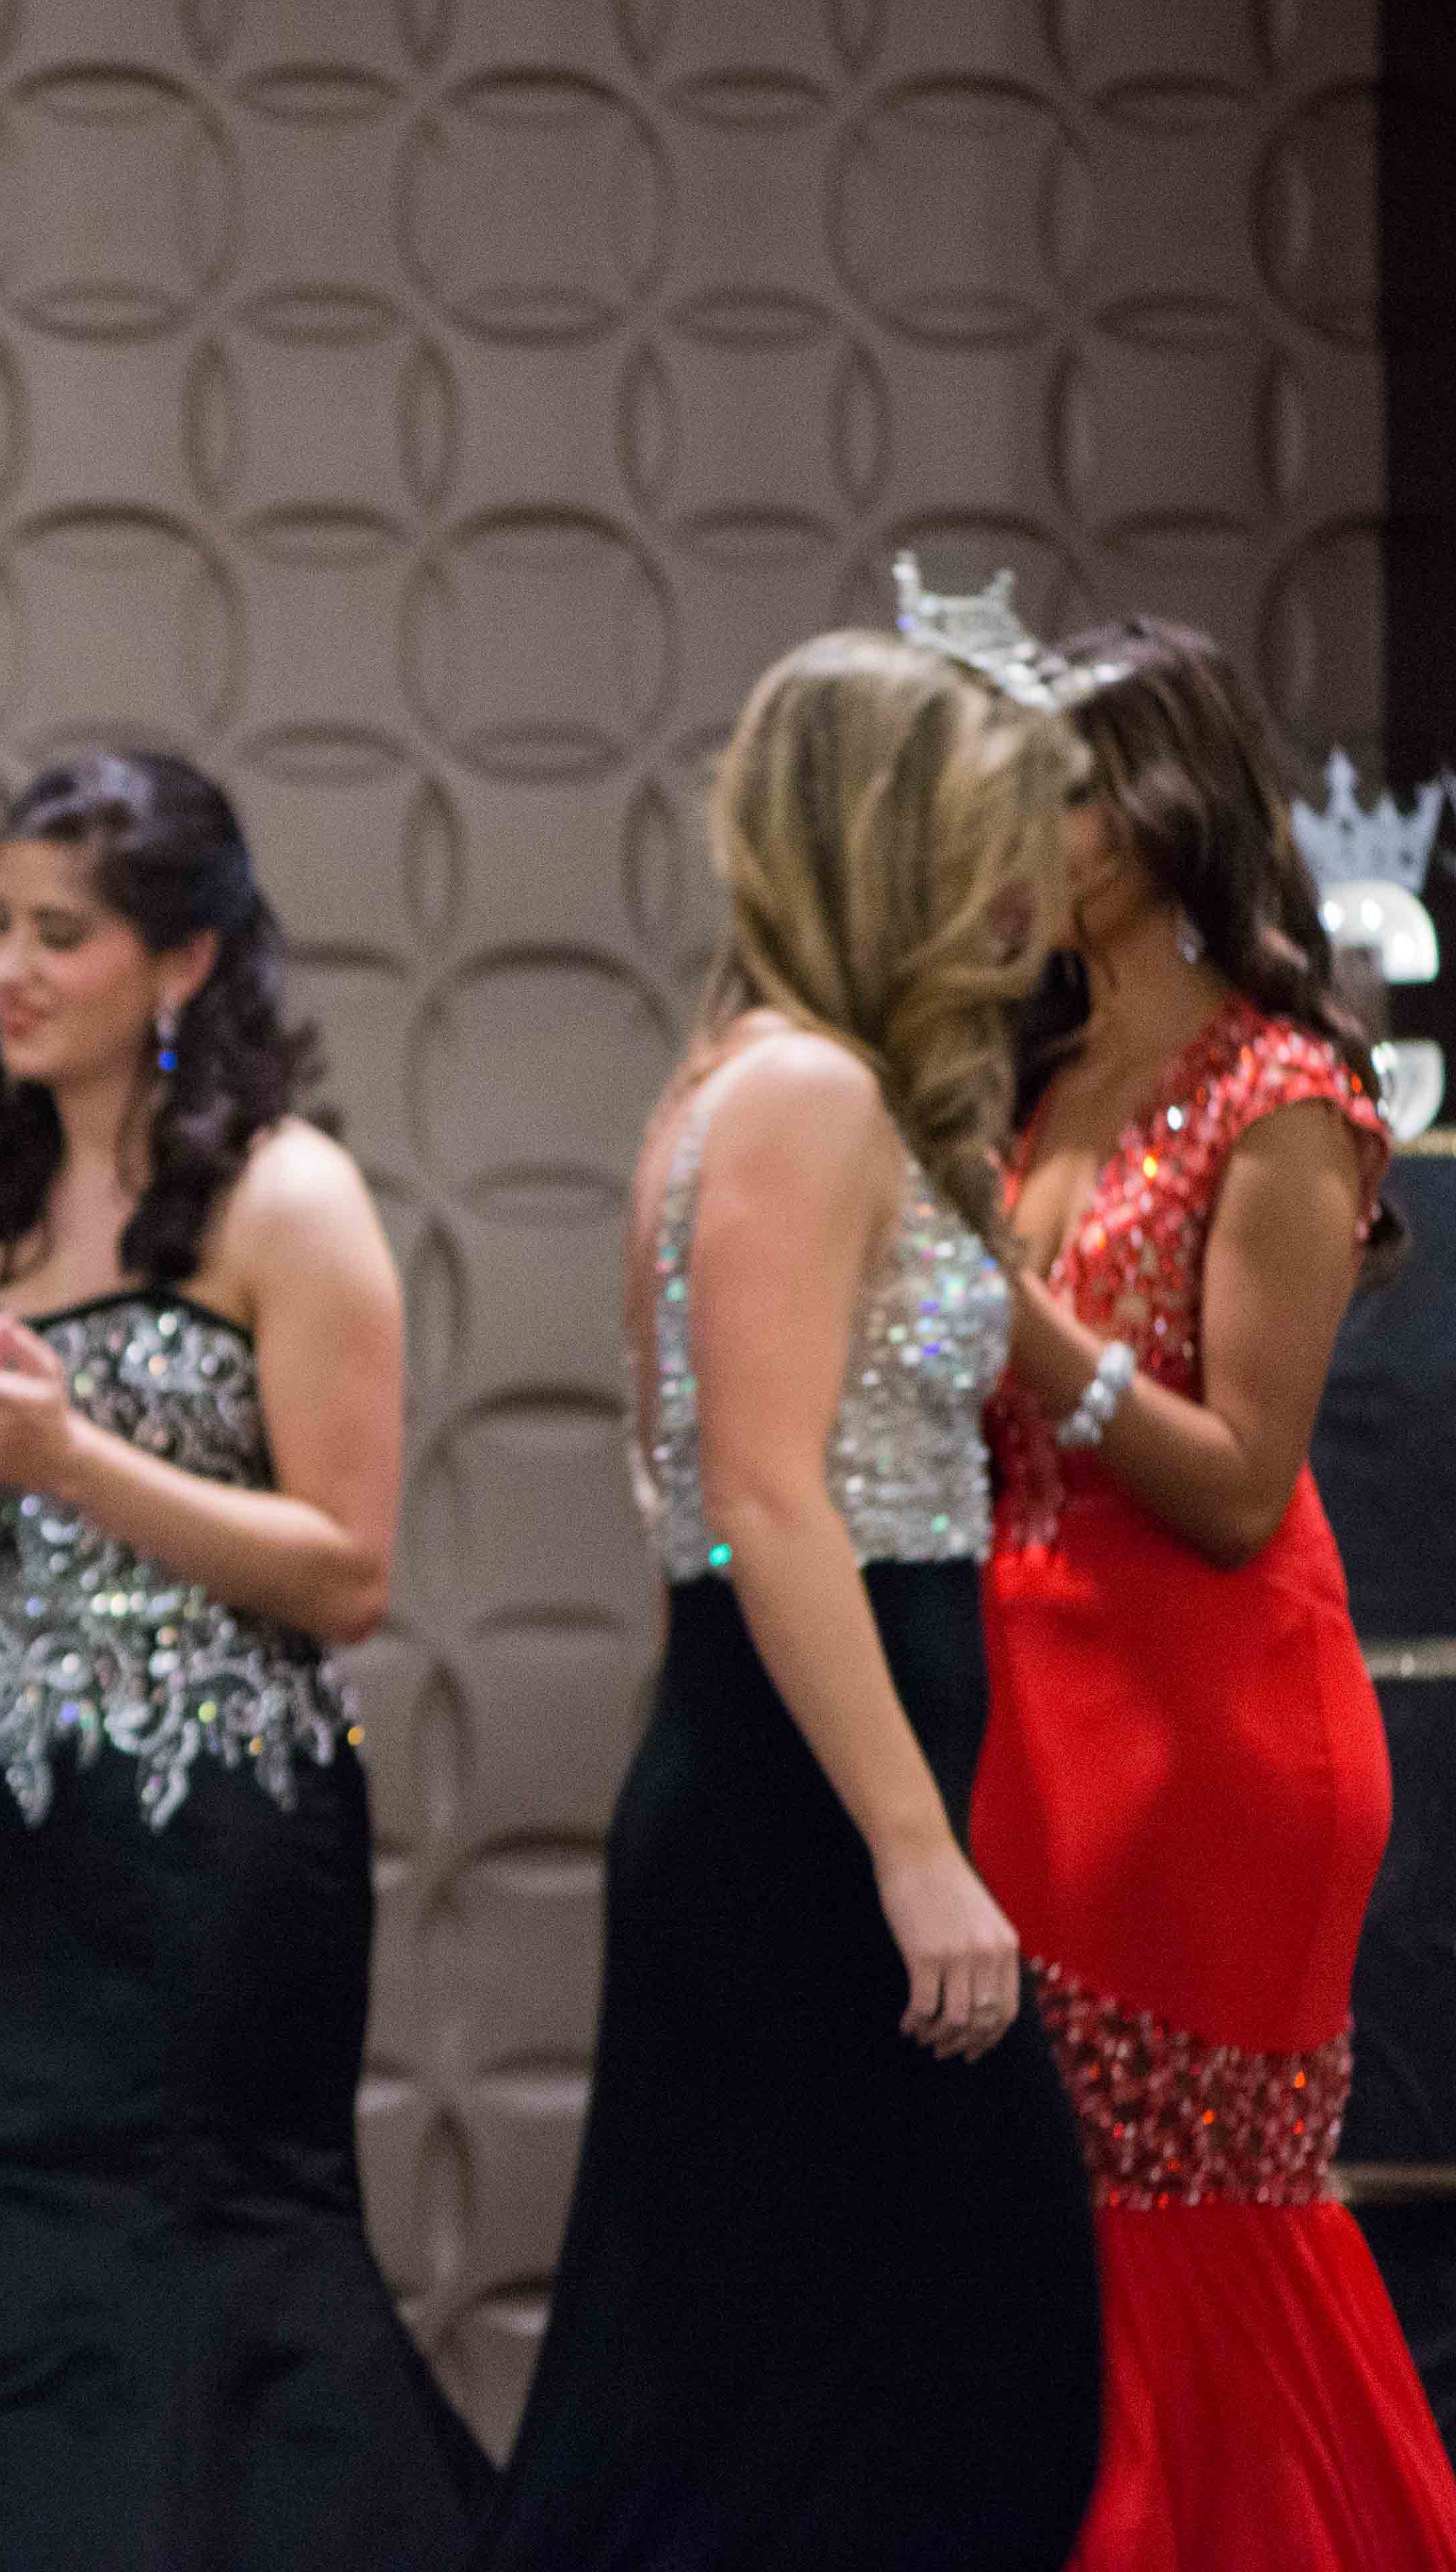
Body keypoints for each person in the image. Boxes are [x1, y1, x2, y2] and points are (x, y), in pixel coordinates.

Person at [470, 621, 1103, 2570]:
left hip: (785, 1786)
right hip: (814, 1806)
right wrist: (915, 1848)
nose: (1040, 886)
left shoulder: (786, 1084)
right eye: (1004, 837)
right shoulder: (801, 1097)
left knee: (788, 2397)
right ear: (896, 846)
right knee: (931, 2382)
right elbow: (759, 1495)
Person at [0, 751, 490, 2569]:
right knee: (21, 2239)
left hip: (228, 1842)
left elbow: (347, 1572)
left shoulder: (291, 1202)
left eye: (62, 935)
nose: (11, 971)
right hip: (12, 1847)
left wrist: (70, 1460)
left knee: (231, 2242)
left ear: (181, 963)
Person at [969, 621, 1456, 2568]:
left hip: (1206, 1737)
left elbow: (1245, 1484)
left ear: (1161, 816)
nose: (1020, 831)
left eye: (1057, 792)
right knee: (1056, 2239)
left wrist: (1018, 1328)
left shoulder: (1282, 1094)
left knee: (1190, 2235)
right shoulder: (1035, 1072)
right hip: (1033, 1702)